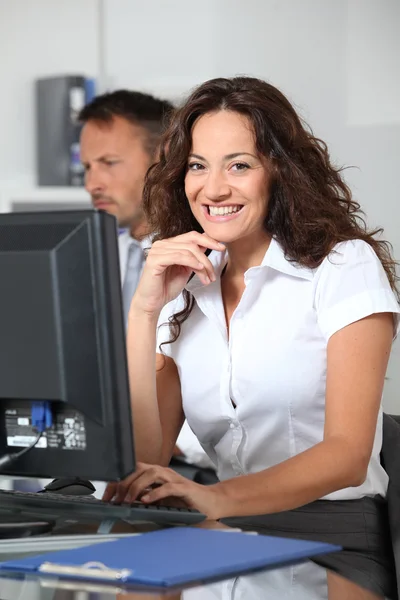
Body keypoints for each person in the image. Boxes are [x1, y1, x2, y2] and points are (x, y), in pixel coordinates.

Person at [103, 76, 400, 592]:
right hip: (222, 537)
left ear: (278, 172)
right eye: (198, 166)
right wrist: (143, 312)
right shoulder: (185, 289)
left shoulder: (342, 266)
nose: (213, 188)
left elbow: (349, 455)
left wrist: (219, 500)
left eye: (239, 165)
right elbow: (145, 461)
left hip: (330, 545)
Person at [78, 90, 216, 476]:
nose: (93, 183)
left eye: (109, 163)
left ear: (164, 157)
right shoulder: (97, 256)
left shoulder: (207, 254)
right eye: (87, 167)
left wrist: (177, 441)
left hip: (196, 465)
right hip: (116, 460)